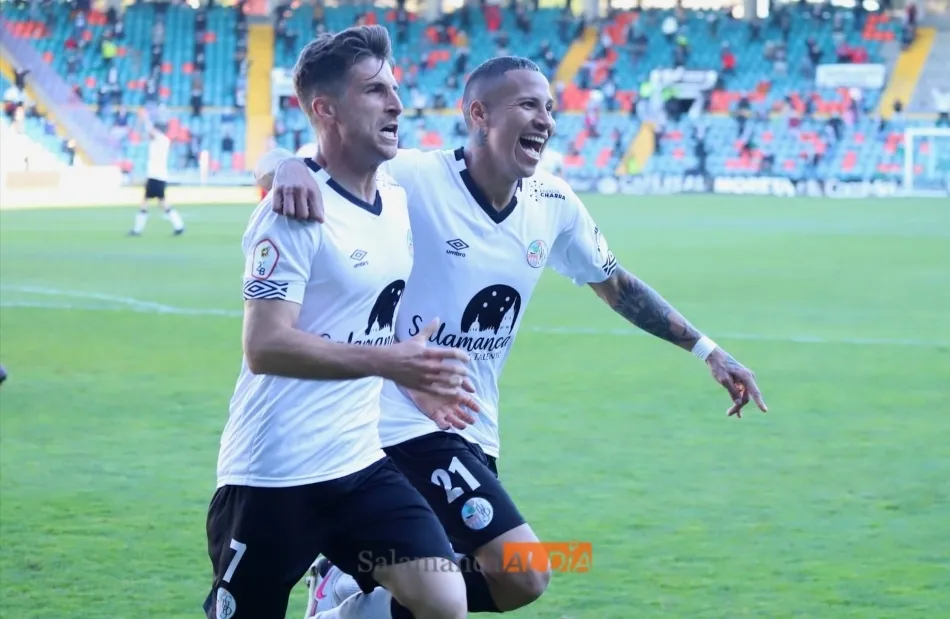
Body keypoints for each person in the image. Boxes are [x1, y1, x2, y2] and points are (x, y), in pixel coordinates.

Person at [262, 56, 768, 619]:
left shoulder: (552, 205)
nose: (545, 120)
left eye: (550, 108)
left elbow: (618, 285)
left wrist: (708, 350)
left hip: (473, 421)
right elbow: (321, 159)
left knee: (490, 583)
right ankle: (343, 583)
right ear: (479, 114)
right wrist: (286, 164)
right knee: (522, 570)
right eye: (528, 105)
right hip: (399, 417)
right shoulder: (416, 175)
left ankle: (344, 599)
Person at [204, 26, 478, 619]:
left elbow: (365, 323)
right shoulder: (293, 214)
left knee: (443, 600)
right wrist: (284, 165)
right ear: (325, 108)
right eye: (375, 90)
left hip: (357, 463)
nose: (397, 104)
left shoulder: (396, 199)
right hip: (272, 472)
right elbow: (265, 346)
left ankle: (332, 599)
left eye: (395, 89)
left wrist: (411, 379)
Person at [128, 109, 185, 236]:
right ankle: (179, 226)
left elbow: (149, 130)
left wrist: (145, 118)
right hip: (157, 176)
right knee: (161, 202)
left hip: (156, 176)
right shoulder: (158, 141)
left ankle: (138, 229)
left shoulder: (162, 139)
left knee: (147, 202)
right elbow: (139, 135)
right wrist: (140, 121)